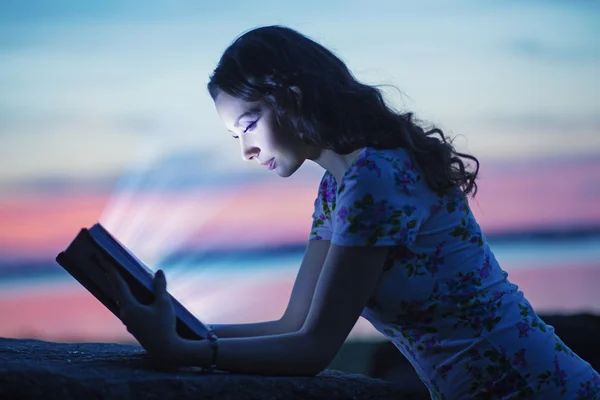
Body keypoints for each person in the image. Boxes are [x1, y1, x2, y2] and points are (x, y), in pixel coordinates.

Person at [106, 25, 600, 399]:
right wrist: (183, 328)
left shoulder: (375, 178)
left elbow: (314, 348)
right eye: (236, 136)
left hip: (533, 387)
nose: (247, 151)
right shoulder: (337, 187)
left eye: (249, 124)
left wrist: (184, 350)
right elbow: (293, 323)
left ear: (291, 96)